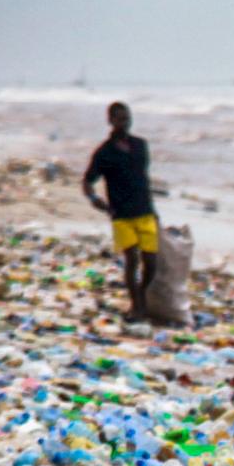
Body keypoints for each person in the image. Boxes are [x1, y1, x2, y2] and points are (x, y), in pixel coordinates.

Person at [82, 101, 158, 320]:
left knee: (151, 262)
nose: (124, 123)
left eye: (127, 118)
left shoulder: (141, 145)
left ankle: (141, 295)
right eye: (120, 119)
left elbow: (143, 179)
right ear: (111, 121)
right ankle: (137, 306)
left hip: (144, 211)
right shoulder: (104, 153)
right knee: (132, 260)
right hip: (121, 215)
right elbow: (88, 181)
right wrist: (94, 198)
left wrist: (154, 211)